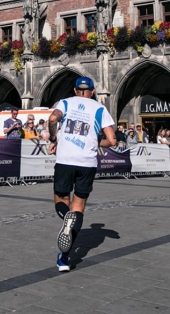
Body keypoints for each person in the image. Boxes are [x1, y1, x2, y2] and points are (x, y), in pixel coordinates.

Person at [46, 76, 116, 272]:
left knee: (61, 198)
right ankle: (64, 257)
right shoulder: (99, 109)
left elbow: (52, 119)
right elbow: (112, 140)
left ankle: (65, 218)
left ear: (76, 91)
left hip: (65, 160)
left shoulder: (66, 103)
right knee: (79, 208)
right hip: (87, 163)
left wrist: (54, 138)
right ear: (92, 91)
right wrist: (96, 142)